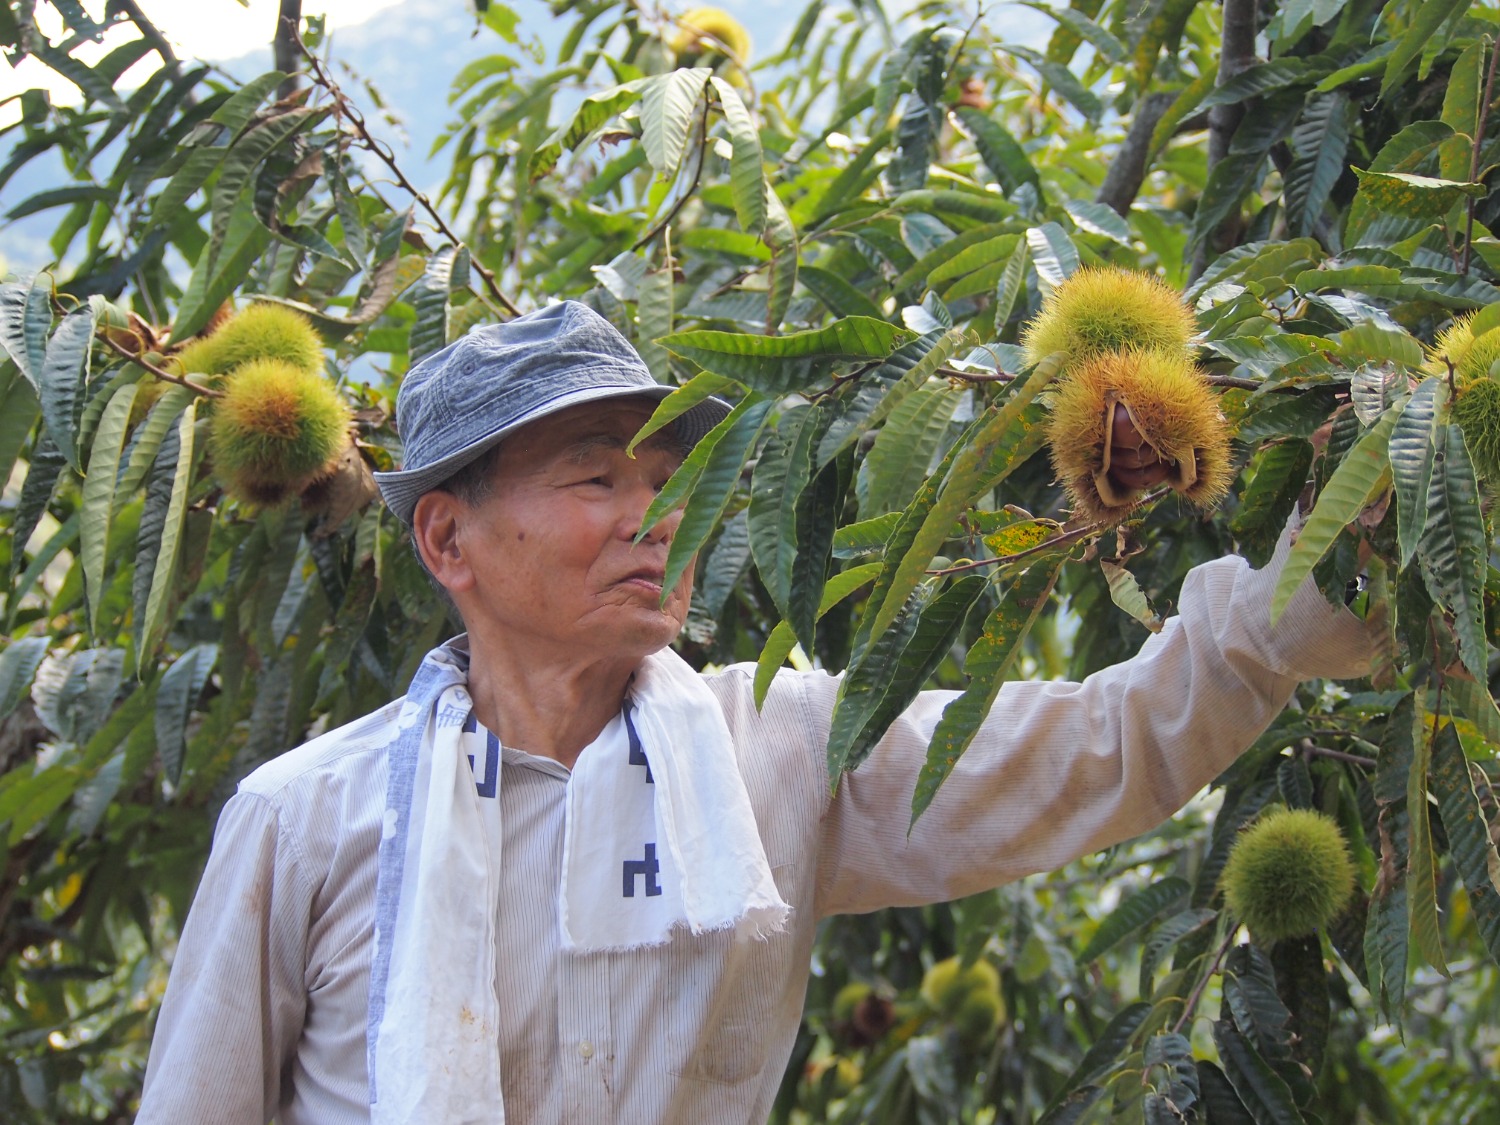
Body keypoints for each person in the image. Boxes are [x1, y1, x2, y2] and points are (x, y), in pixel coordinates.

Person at [135, 301, 1370, 1124]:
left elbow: (1104, 749)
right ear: (449, 539)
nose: (653, 517)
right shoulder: (305, 820)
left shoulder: (774, 747)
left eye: (668, 481)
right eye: (594, 480)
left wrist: (1351, 538)